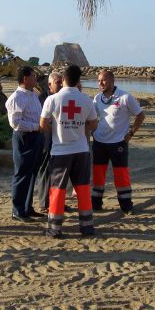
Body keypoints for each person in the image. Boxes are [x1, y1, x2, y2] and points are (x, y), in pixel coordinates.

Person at [40, 64, 98, 238]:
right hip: (81, 150)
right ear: (78, 80)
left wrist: (58, 125)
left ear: (63, 79)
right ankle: (87, 227)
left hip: (60, 152)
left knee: (57, 190)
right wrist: (79, 125)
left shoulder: (52, 99)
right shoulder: (86, 99)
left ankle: (55, 228)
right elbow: (94, 124)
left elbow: (43, 124)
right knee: (83, 189)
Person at [91, 69, 145, 214]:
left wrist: (131, 133)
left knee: (121, 176)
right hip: (99, 142)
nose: (100, 83)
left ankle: (126, 205)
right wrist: (92, 132)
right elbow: (91, 117)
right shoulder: (96, 98)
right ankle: (96, 204)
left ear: (112, 80)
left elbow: (140, 115)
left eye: (103, 80)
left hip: (118, 143)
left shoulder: (125, 97)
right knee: (97, 174)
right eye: (98, 80)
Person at [5, 66, 44, 222]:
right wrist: (37, 127)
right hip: (24, 138)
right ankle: (18, 210)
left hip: (36, 137)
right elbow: (15, 123)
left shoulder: (33, 95)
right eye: (34, 76)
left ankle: (27, 207)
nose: (36, 79)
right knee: (21, 173)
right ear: (25, 79)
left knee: (32, 173)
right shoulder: (16, 98)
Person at [36, 71, 63, 212]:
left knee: (58, 174)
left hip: (61, 141)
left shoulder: (62, 97)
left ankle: (57, 202)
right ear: (49, 84)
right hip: (47, 141)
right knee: (45, 171)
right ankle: (44, 203)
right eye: (58, 82)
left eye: (61, 82)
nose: (60, 85)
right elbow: (43, 121)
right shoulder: (43, 98)